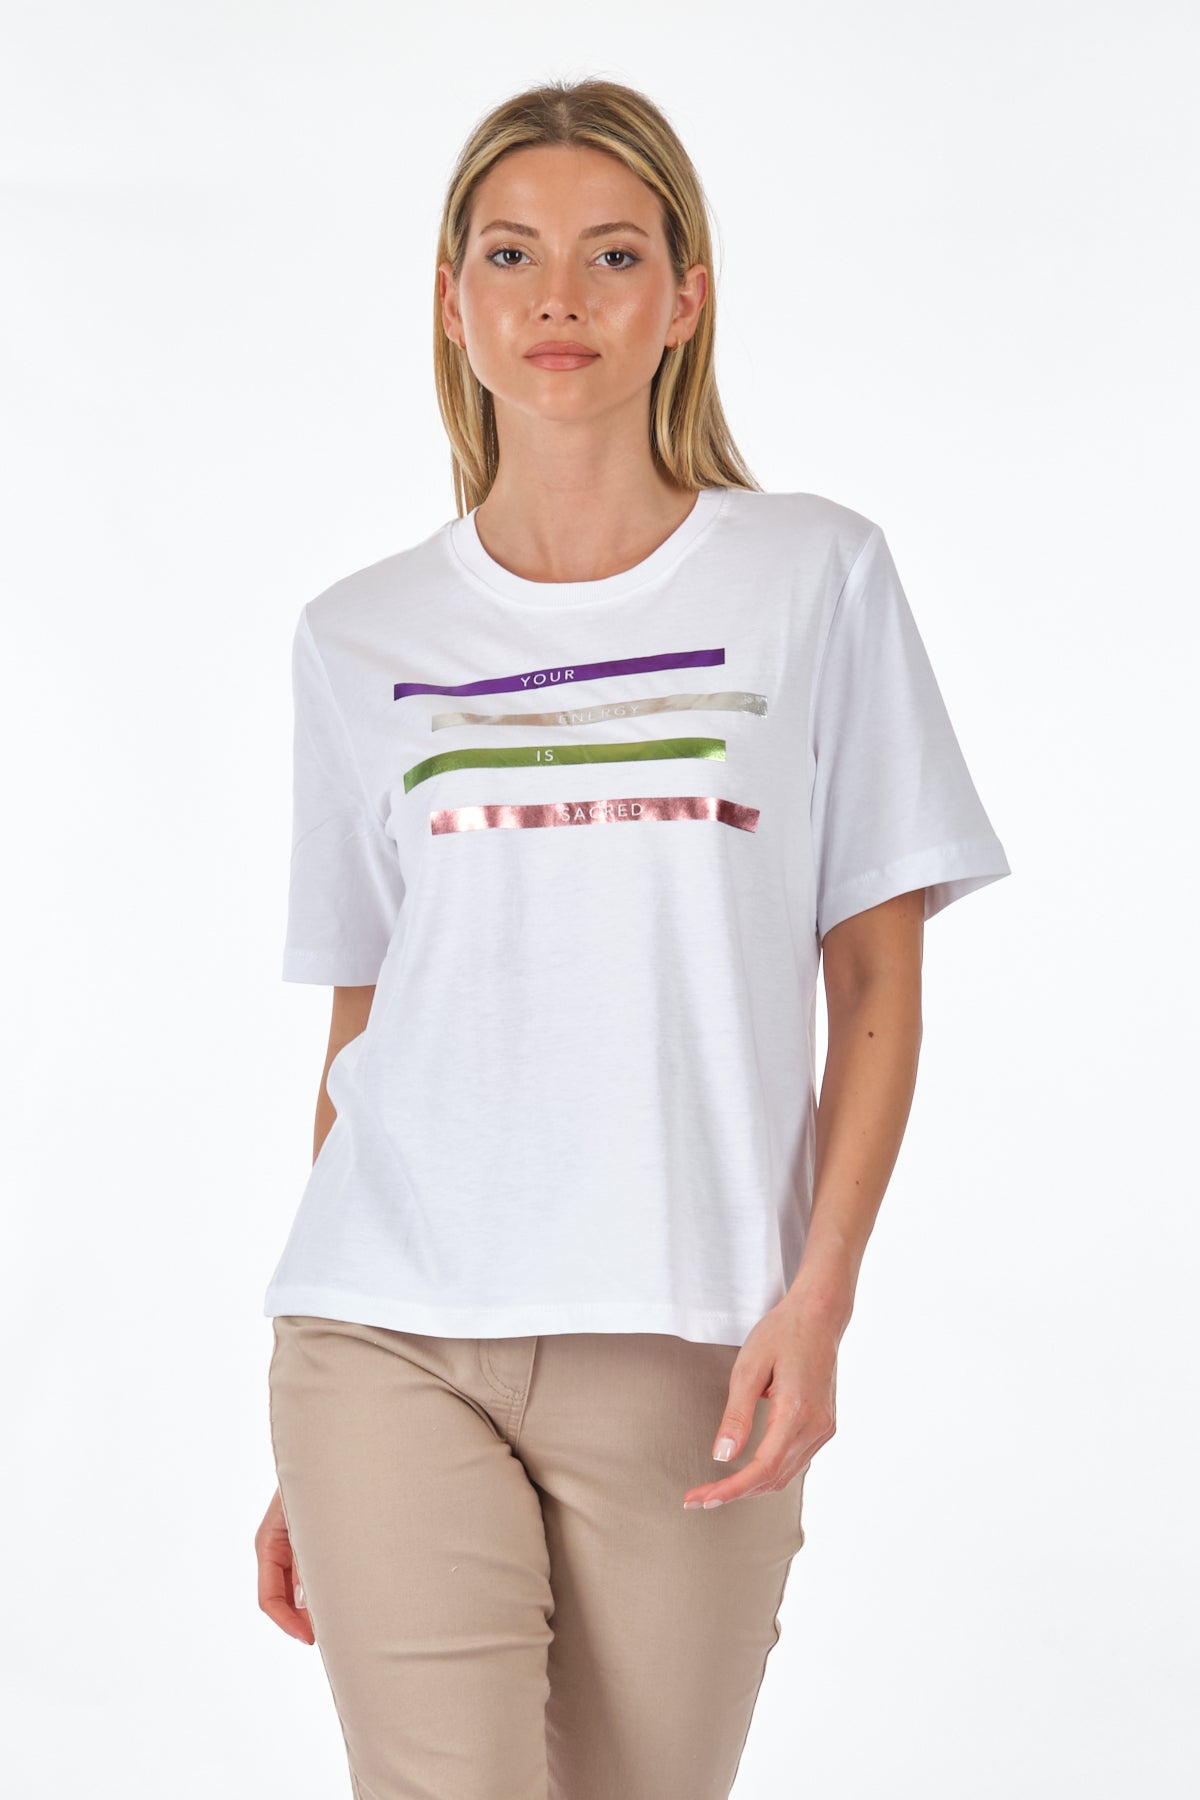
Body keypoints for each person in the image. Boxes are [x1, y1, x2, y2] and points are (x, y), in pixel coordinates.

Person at [254, 75, 1011, 1800]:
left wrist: (821, 1296)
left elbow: (875, 972)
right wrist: (311, 1463)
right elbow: (367, 1020)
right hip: (384, 1325)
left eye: (612, 255)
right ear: (452, 302)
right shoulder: (357, 637)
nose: (559, 298)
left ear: (685, 299)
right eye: (510, 254)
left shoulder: (814, 578)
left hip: (690, 1337)